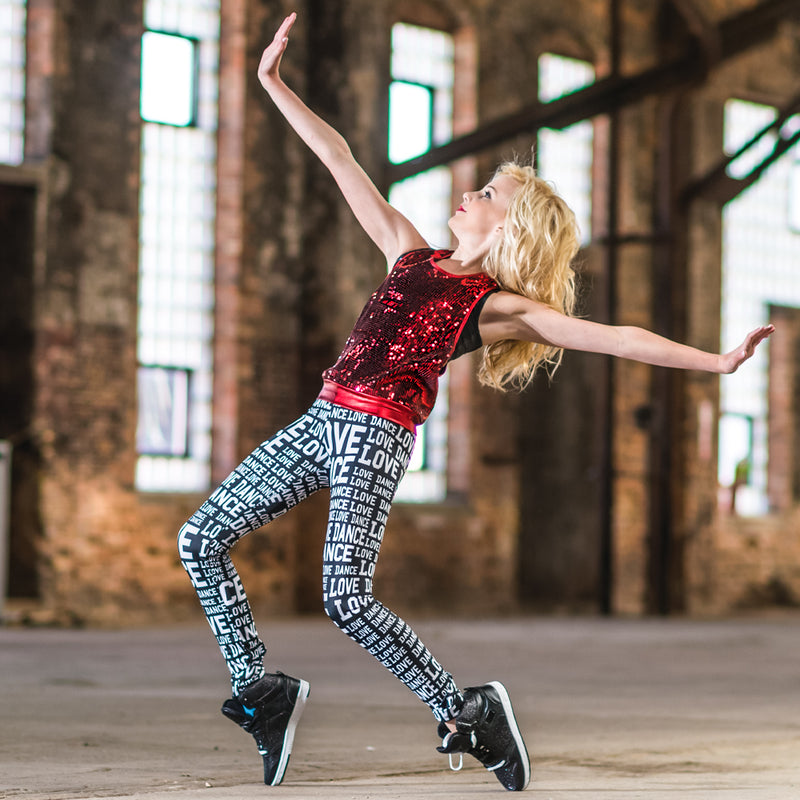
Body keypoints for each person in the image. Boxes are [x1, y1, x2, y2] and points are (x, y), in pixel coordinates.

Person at [177, 11, 774, 793]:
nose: (468, 191)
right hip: (323, 417)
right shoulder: (407, 249)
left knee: (345, 597)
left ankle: (467, 712)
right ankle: (262, 693)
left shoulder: (496, 306)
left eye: (487, 191)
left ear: (509, 225)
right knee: (201, 536)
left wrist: (718, 363)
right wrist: (272, 84)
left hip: (374, 434)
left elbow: (617, 336)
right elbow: (338, 156)